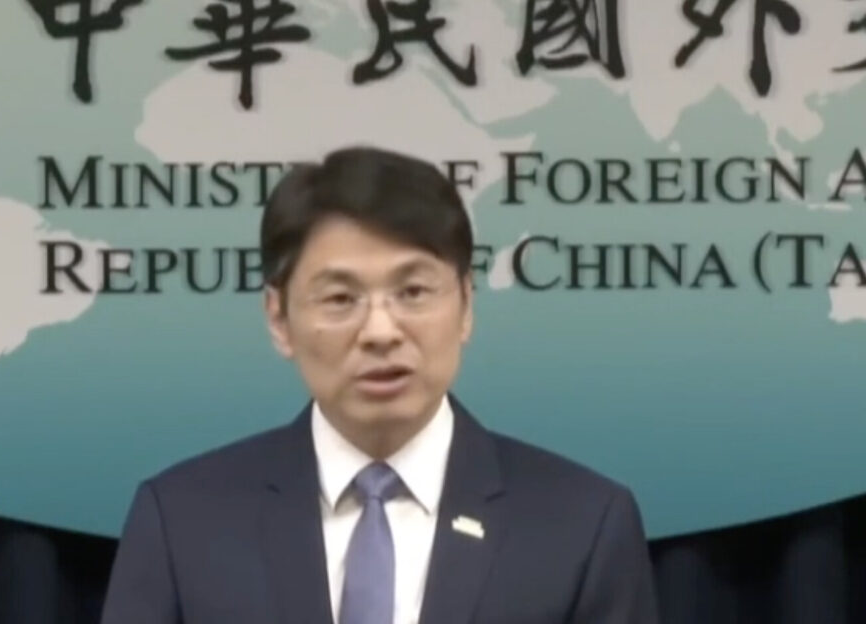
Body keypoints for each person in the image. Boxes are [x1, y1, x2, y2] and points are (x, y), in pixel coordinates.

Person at [100, 146, 660, 624]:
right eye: (341, 298)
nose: (380, 331)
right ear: (279, 318)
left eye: (413, 292)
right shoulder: (182, 522)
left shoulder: (582, 524)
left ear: (466, 304)